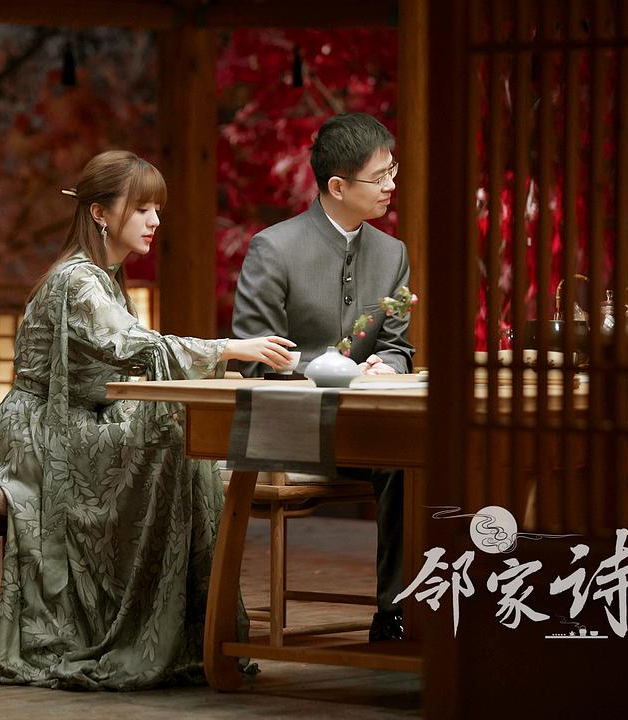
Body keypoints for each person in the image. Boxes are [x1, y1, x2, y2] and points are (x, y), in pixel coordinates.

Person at [0, 150, 293, 690]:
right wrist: (232, 348)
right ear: (99, 213)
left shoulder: (104, 278)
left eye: (156, 209)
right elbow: (135, 345)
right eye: (141, 208)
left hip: (75, 418)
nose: (155, 220)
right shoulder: (78, 280)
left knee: (178, 437)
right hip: (35, 432)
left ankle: (173, 630)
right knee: (174, 442)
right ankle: (153, 629)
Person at [231, 113, 414, 641]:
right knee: (401, 460)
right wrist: (331, 370)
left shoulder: (392, 253)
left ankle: (410, 609)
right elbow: (254, 357)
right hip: (291, 426)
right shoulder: (273, 247)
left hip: (367, 425)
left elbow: (399, 346)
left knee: (425, 455)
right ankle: (396, 611)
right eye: (379, 177)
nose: (391, 185)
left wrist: (387, 365)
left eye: (392, 171)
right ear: (337, 186)